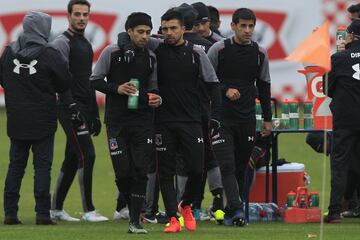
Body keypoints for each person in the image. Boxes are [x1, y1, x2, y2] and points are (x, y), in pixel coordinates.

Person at [118, 8, 221, 233]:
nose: (169, 33)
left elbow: (213, 84)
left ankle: (186, 205)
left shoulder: (196, 53)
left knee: (197, 169)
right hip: (162, 121)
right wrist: (126, 47)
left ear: (185, 29)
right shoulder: (156, 47)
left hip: (192, 121)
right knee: (166, 172)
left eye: (173, 28)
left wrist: (215, 116)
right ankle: (173, 217)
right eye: (164, 29)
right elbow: (125, 36)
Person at [90, 12, 161, 234]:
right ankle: (131, 208)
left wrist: (155, 97)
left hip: (142, 121)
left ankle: (135, 221)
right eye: (140, 32)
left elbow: (154, 86)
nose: (145, 36)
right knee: (123, 173)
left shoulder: (151, 57)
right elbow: (95, 80)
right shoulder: (111, 52)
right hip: (116, 122)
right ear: (129, 31)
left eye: (148, 32)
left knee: (141, 170)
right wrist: (116, 88)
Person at [0, 11, 71, 225]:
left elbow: (4, 80)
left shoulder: (8, 52)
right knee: (42, 168)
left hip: (17, 119)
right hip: (43, 120)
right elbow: (64, 83)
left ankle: (10, 213)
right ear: (43, 29)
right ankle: (42, 213)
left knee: (15, 166)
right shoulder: (50, 53)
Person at [207, 8, 272, 226]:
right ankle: (238, 210)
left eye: (250, 26)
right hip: (221, 118)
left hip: (246, 119)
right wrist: (225, 89)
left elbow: (264, 87)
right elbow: (205, 81)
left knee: (241, 167)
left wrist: (267, 119)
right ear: (232, 26)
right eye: (242, 26)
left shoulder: (260, 52)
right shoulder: (219, 50)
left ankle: (228, 210)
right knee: (226, 165)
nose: (247, 30)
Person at [51, 0, 108, 222]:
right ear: (68, 16)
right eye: (77, 14)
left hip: (83, 106)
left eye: (85, 14)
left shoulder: (85, 43)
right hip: (68, 107)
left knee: (72, 158)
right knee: (88, 154)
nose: (82, 18)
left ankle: (55, 209)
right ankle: (88, 211)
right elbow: (59, 79)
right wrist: (71, 106)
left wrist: (93, 112)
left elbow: (87, 81)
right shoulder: (62, 43)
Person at [174, 3, 224, 223]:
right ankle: (214, 202)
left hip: (176, 111)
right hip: (204, 109)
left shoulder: (169, 44)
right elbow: (216, 82)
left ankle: (182, 205)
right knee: (208, 157)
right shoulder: (212, 46)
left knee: (180, 160)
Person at [324, 19, 360, 223]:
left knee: (340, 164)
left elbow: (326, 88)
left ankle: (335, 211)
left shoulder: (338, 58)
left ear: (351, 37)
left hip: (345, 119)